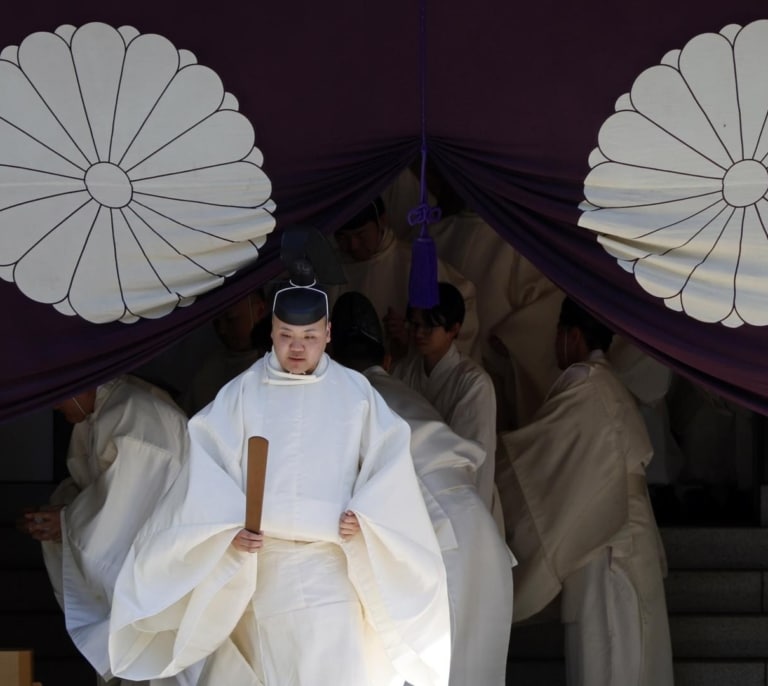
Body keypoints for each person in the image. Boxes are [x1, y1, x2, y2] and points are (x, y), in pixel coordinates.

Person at [107, 249, 451, 686]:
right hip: (262, 570)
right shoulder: (242, 394)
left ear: (328, 334)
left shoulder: (355, 394)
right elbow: (207, 469)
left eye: (309, 336)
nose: (297, 347)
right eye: (287, 335)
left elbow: (389, 464)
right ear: (271, 331)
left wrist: (366, 515)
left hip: (331, 571)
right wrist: (225, 527)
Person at [331, 291, 515, 686]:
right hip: (476, 535)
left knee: (433, 670)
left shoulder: (342, 399)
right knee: (474, 671)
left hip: (438, 538)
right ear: (385, 360)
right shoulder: (399, 387)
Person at [495, 297, 673, 686]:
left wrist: (486, 456)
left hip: (609, 539)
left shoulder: (585, 381)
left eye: (557, 334)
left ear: (572, 335)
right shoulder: (607, 382)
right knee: (627, 656)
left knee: (609, 654)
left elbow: (538, 455)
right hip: (620, 530)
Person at [18, 375, 200, 686]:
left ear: (79, 385)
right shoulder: (99, 415)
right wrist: (57, 515)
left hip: (166, 570)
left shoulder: (132, 414)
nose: (53, 407)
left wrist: (65, 521)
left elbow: (126, 509)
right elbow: (90, 490)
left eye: (57, 397)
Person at [382, 166, 563, 428]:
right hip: (433, 357)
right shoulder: (435, 232)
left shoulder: (515, 240)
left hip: (496, 361)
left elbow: (548, 299)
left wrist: (513, 338)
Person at [329, 196, 481, 361]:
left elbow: (462, 299)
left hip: (403, 373)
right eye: (343, 238)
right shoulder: (332, 268)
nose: (353, 245)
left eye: (360, 235)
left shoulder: (412, 260)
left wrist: (414, 331)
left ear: (382, 221)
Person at [391, 282, 498, 516]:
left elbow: (472, 460)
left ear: (454, 329)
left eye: (429, 327)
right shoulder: (403, 372)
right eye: (416, 325)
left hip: (456, 497)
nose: (419, 333)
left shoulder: (474, 384)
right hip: (410, 495)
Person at [182, 289, 269, 415]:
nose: (222, 330)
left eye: (230, 319)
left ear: (259, 311)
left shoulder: (280, 364)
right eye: (216, 322)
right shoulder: (208, 371)